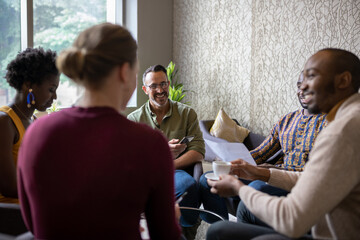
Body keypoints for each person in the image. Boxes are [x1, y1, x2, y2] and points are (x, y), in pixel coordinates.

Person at [17, 23, 181, 239]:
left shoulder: (36, 133)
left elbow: (33, 224)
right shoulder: (149, 143)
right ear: (124, 71)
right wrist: (172, 216)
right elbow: (165, 234)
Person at [206, 48, 360, 240]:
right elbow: (313, 180)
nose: (302, 87)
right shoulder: (346, 118)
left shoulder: (341, 131)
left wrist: (239, 189)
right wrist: (258, 171)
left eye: (311, 76)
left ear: (343, 81)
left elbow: (292, 219)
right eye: (300, 81)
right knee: (220, 230)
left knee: (225, 230)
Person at [199, 72, 327, 222]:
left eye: (309, 86)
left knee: (256, 187)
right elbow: (261, 152)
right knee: (206, 180)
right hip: (269, 176)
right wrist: (232, 162)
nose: (302, 91)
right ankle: (222, 227)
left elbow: (318, 176)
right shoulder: (287, 120)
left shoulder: (330, 124)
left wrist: (266, 170)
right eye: (299, 86)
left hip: (298, 187)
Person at [127, 64, 205, 236]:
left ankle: (185, 230)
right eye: (153, 86)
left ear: (169, 84)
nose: (160, 90)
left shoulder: (187, 113)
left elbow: (198, 150)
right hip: (146, 176)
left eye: (163, 84)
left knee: (189, 186)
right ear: (145, 89)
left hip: (177, 172)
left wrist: (169, 164)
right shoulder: (133, 119)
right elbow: (130, 159)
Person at [0, 47, 59, 203]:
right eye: (51, 89)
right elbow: (9, 187)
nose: (55, 97)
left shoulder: (34, 121)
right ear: (28, 85)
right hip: (10, 214)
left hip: (31, 207)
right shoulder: (4, 122)